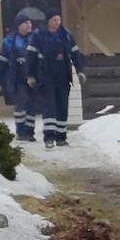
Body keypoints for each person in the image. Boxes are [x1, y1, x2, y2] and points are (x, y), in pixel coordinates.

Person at [31, 13, 85, 149]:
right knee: (49, 107)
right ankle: (49, 137)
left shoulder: (66, 35)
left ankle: (61, 137)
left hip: (63, 75)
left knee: (62, 106)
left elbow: (75, 53)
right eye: (54, 19)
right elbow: (30, 56)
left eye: (59, 19)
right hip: (46, 75)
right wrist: (30, 75)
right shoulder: (39, 35)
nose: (57, 22)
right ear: (48, 21)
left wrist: (80, 71)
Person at [0, 8, 42, 142]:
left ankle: (29, 133)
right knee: (22, 103)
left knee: (31, 105)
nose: (29, 25)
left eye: (30, 22)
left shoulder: (35, 40)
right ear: (19, 25)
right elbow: (1, 62)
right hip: (17, 79)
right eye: (26, 23)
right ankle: (20, 132)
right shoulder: (9, 42)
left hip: (32, 79)